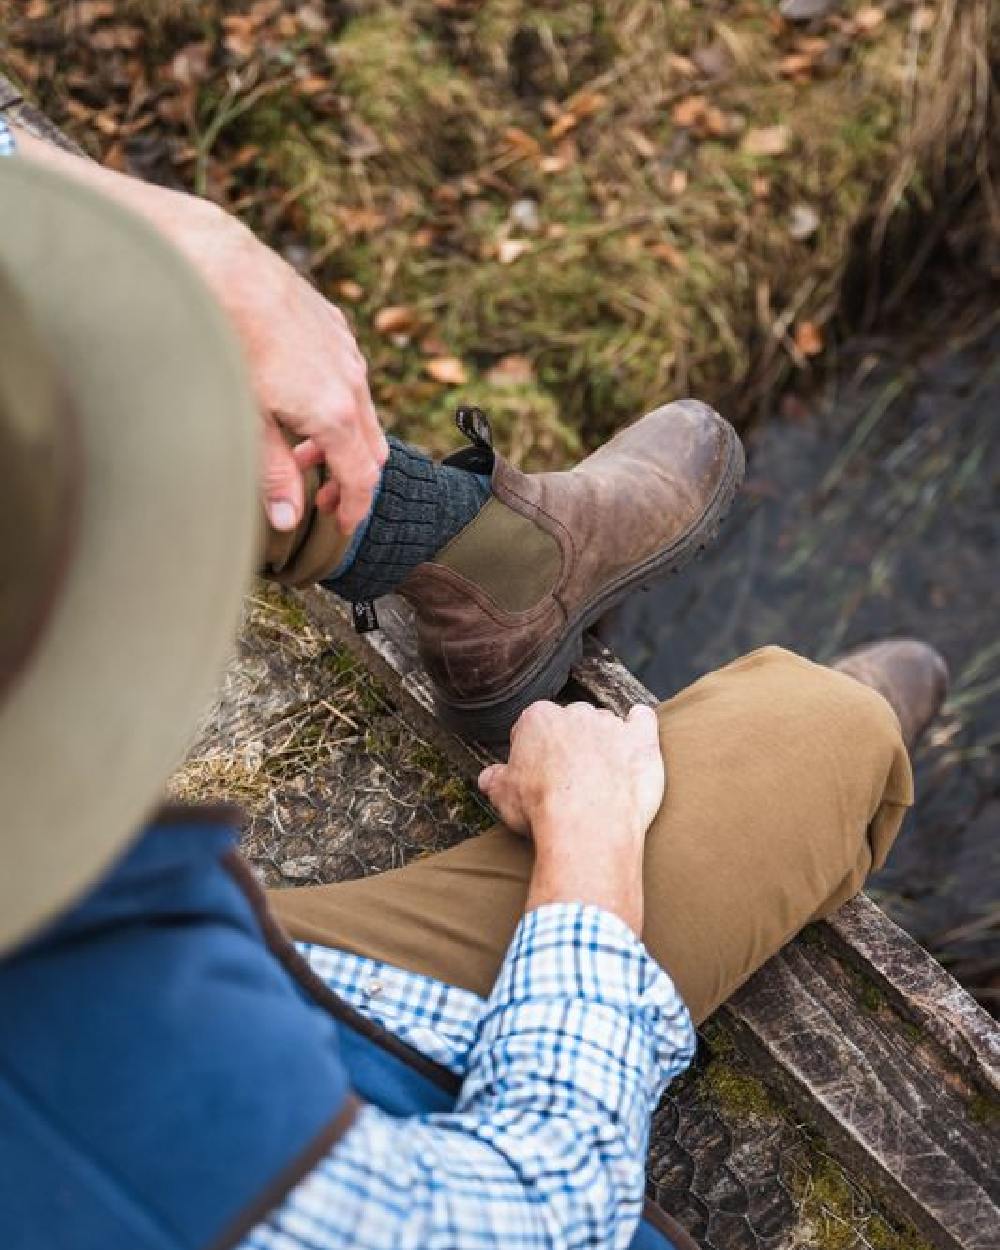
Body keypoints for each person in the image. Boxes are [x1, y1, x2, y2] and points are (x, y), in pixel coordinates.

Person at [0, 115, 947, 1250]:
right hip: (211, 1101)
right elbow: (529, 1214)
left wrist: (169, 237)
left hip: (101, 961)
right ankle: (512, 573)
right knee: (813, 733)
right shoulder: (123, 1145)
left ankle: (482, 557)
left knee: (67, 408)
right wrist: (586, 849)